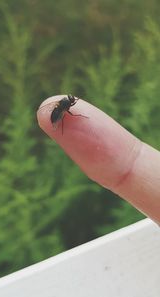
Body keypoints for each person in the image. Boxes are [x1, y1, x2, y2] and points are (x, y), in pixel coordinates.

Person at [37, 95, 160, 225]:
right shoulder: (64, 107)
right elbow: (67, 113)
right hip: (56, 114)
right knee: (69, 118)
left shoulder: (61, 104)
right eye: (72, 100)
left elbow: (58, 108)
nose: (73, 100)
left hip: (56, 112)